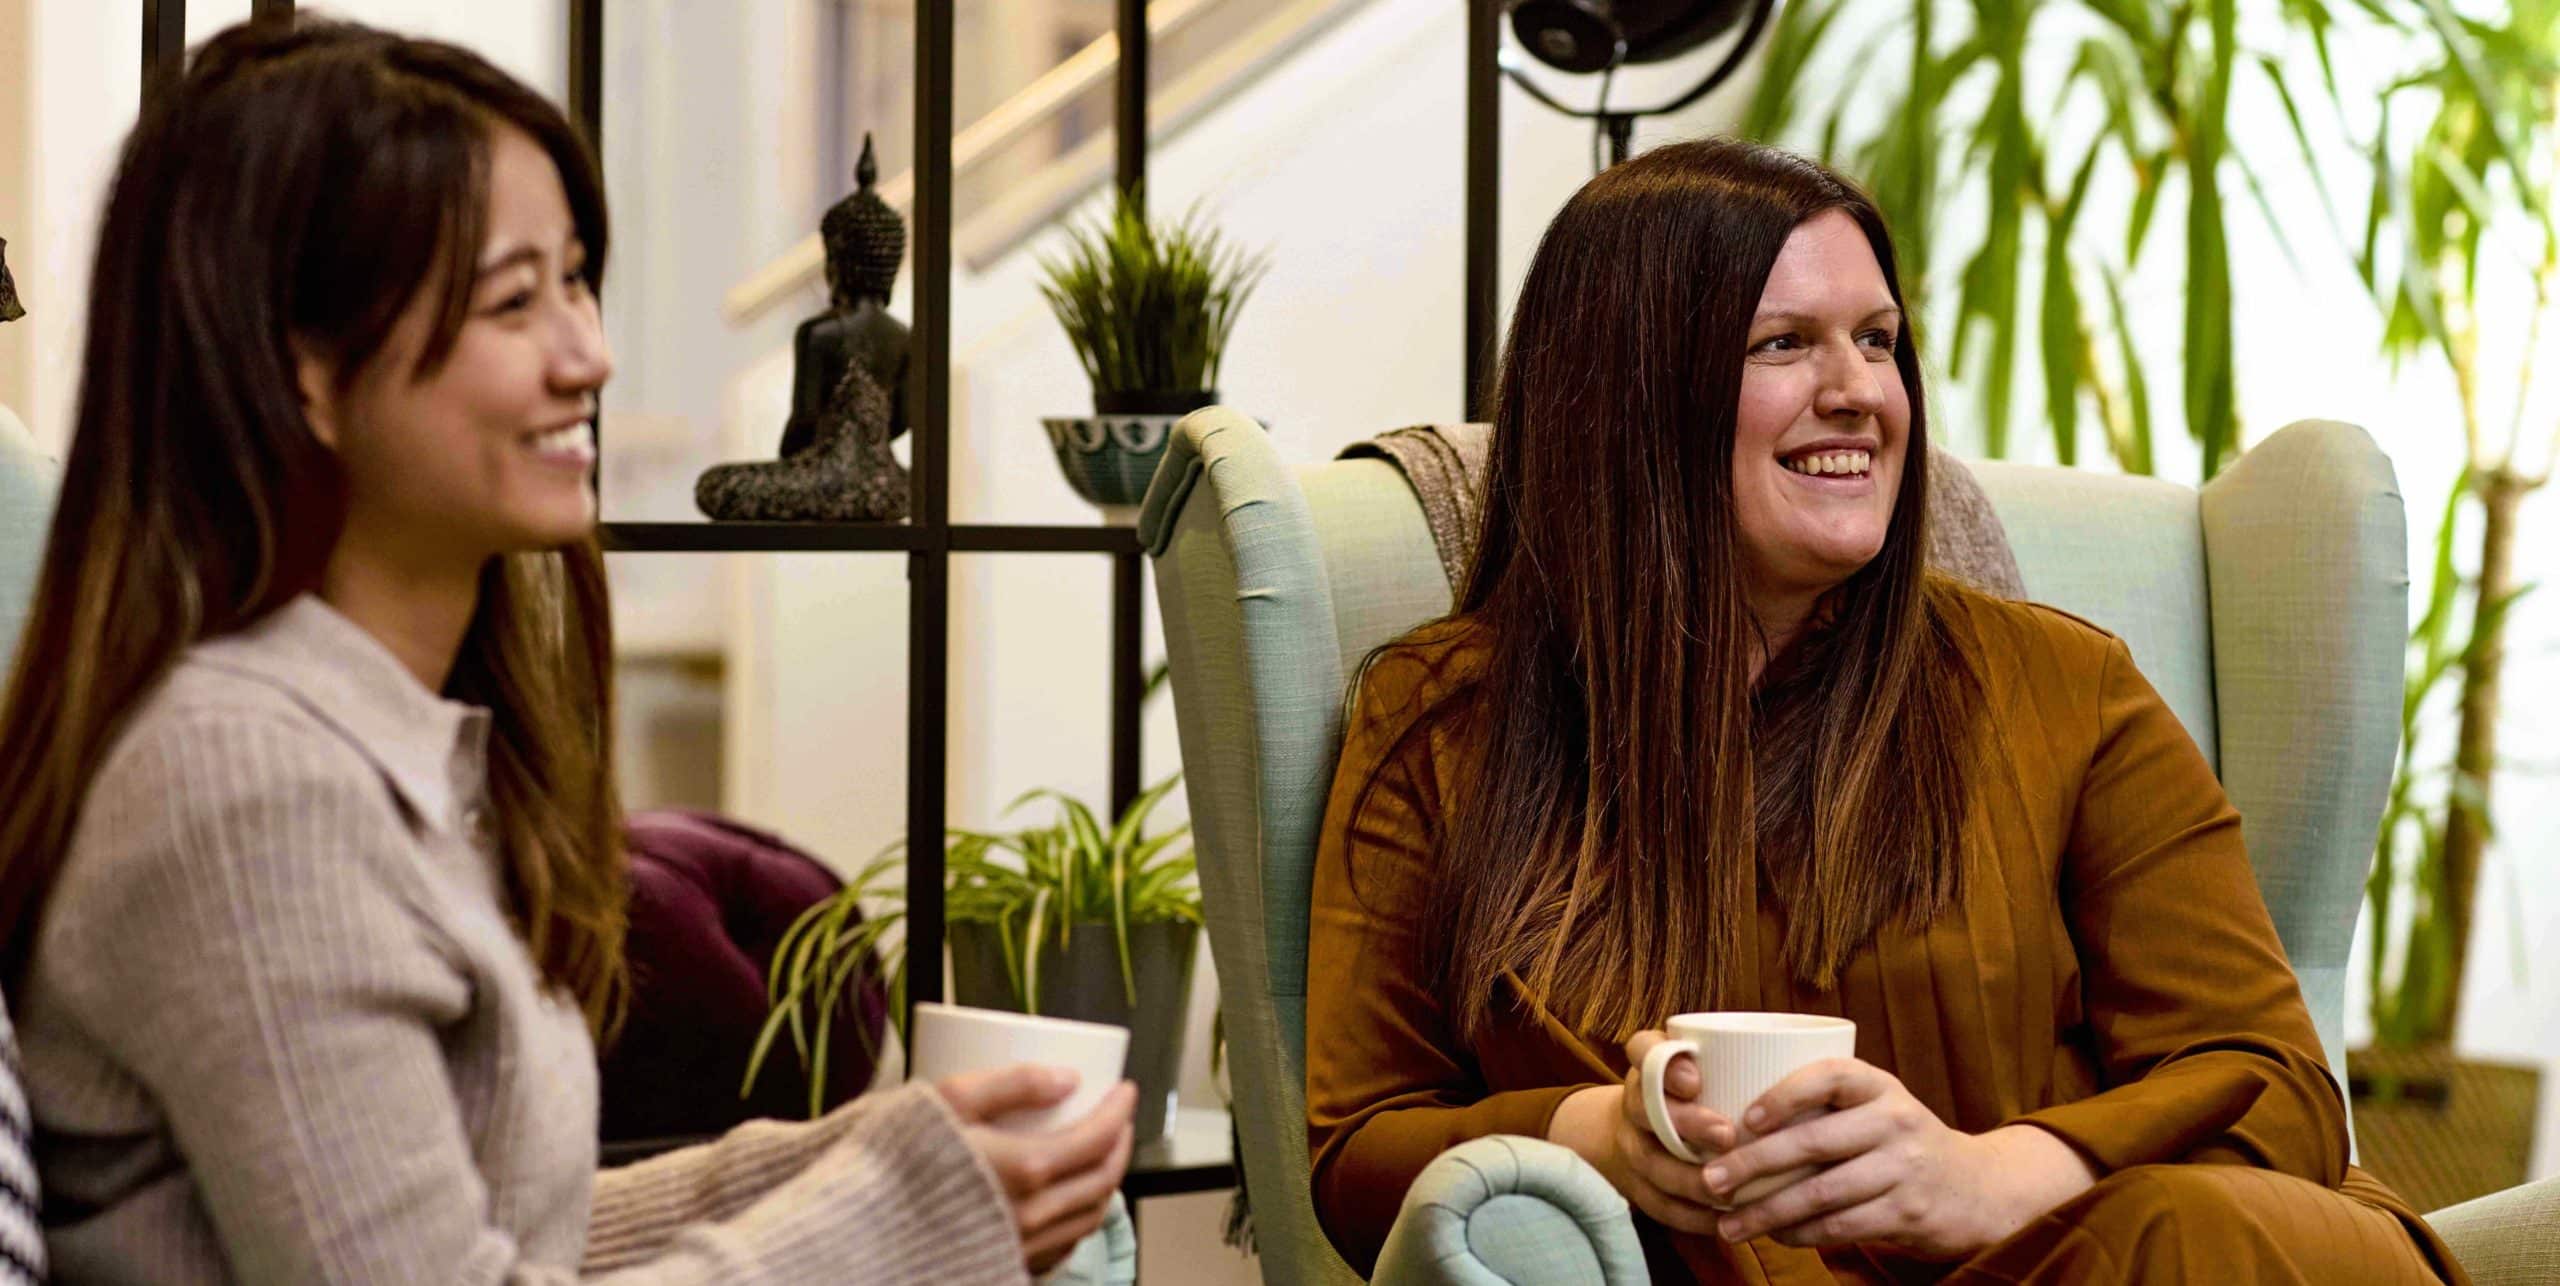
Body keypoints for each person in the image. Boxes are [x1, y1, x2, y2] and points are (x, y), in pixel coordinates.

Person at [0, 19, 1132, 1284]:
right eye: (514, 300)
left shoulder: (372, 744)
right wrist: (896, 1223)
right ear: (304, 371)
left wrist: (847, 1157)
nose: (588, 355)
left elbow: (475, 1233)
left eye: (579, 280)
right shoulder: (245, 787)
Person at [1303, 137, 2469, 1283]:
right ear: (1625, 396)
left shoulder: (2067, 687)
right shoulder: (1443, 723)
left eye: (1877, 341)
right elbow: (1356, 1149)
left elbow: (2276, 1085)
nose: (1860, 392)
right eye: (1783, 345)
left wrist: (1985, 1177)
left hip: (2140, 1256)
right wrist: (1586, 1136)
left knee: (2177, 1229)